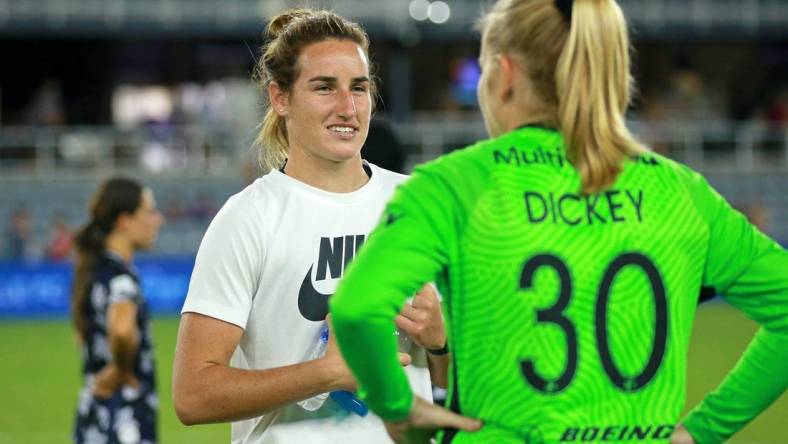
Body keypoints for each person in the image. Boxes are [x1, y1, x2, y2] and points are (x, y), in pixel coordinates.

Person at [329, 0, 788, 443]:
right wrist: (704, 430)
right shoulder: (682, 192)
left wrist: (398, 407)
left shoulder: (455, 185)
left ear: (504, 76)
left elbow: (357, 307)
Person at [172, 9, 452, 444]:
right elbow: (192, 396)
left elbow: (468, 390)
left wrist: (441, 344)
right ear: (280, 98)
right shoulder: (248, 219)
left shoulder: (421, 205)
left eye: (359, 88)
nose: (347, 107)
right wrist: (325, 374)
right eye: (324, 87)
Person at [71, 177, 165, 443]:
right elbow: (122, 329)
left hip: (94, 410)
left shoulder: (93, 271)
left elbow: (82, 336)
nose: (158, 220)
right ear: (124, 220)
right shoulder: (121, 278)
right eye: (149, 212)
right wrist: (121, 369)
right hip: (123, 414)